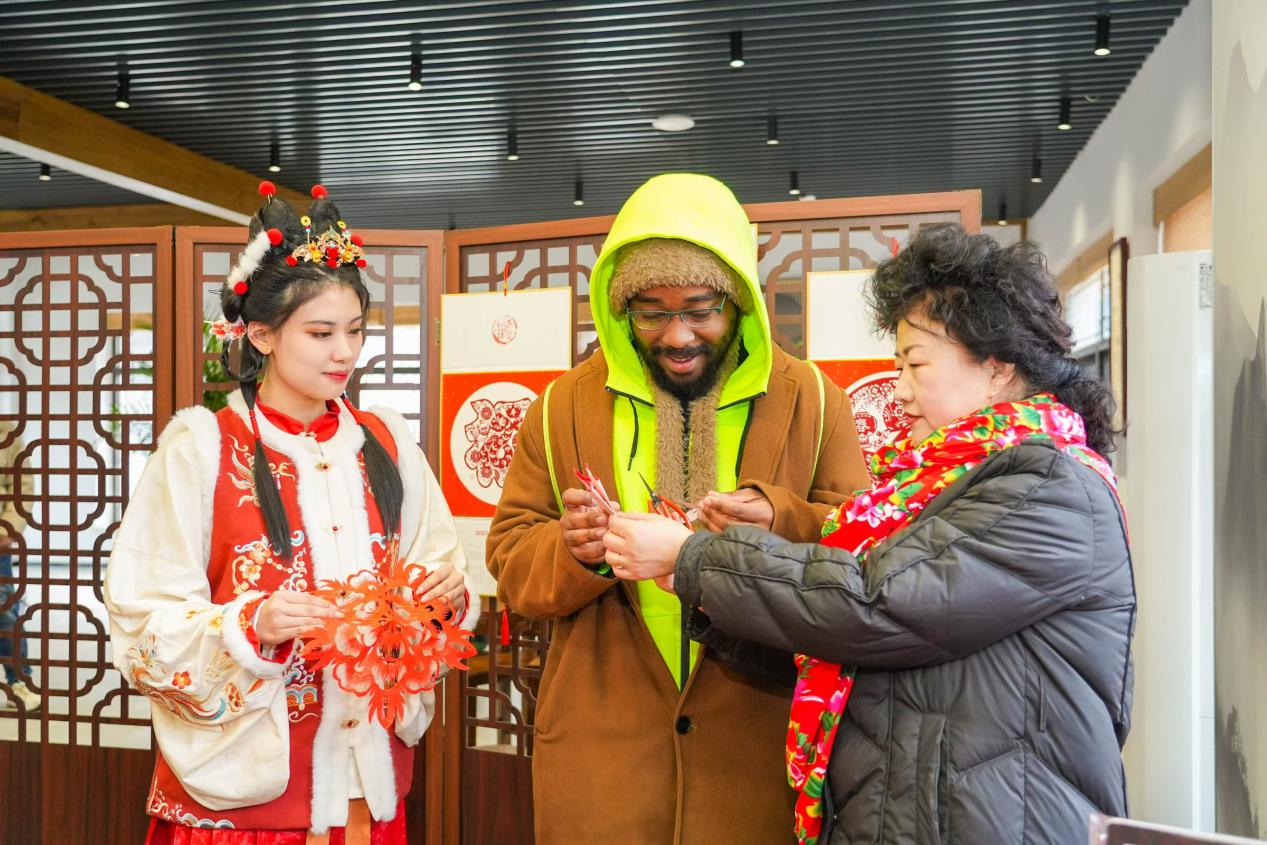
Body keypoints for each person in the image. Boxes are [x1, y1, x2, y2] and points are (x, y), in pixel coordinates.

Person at [602, 223, 1135, 845]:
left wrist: (699, 558)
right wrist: (696, 586)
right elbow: (835, 640)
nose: (900, 391)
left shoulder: (1050, 487)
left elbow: (878, 604)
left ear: (995, 369)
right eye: (896, 365)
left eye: (915, 364)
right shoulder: (930, 484)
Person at [486, 173, 868, 843]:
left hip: (759, 748)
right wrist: (574, 550)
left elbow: (861, 549)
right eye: (650, 311)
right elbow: (512, 563)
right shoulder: (558, 408)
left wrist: (777, 518)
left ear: (740, 300)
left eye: (700, 308)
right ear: (619, 307)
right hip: (601, 763)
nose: (677, 334)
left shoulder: (812, 398)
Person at [105, 182, 477, 843]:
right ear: (262, 333)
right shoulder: (201, 447)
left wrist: (441, 600)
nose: (344, 352)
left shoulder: (386, 442)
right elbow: (142, 617)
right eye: (321, 332)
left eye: (356, 331)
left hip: (367, 777)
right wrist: (251, 622)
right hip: (245, 797)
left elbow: (436, 566)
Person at [0, 423, 38, 712]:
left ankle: (18, 682)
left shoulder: (7, 433)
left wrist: (7, 530)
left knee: (4, 610)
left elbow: (22, 486)